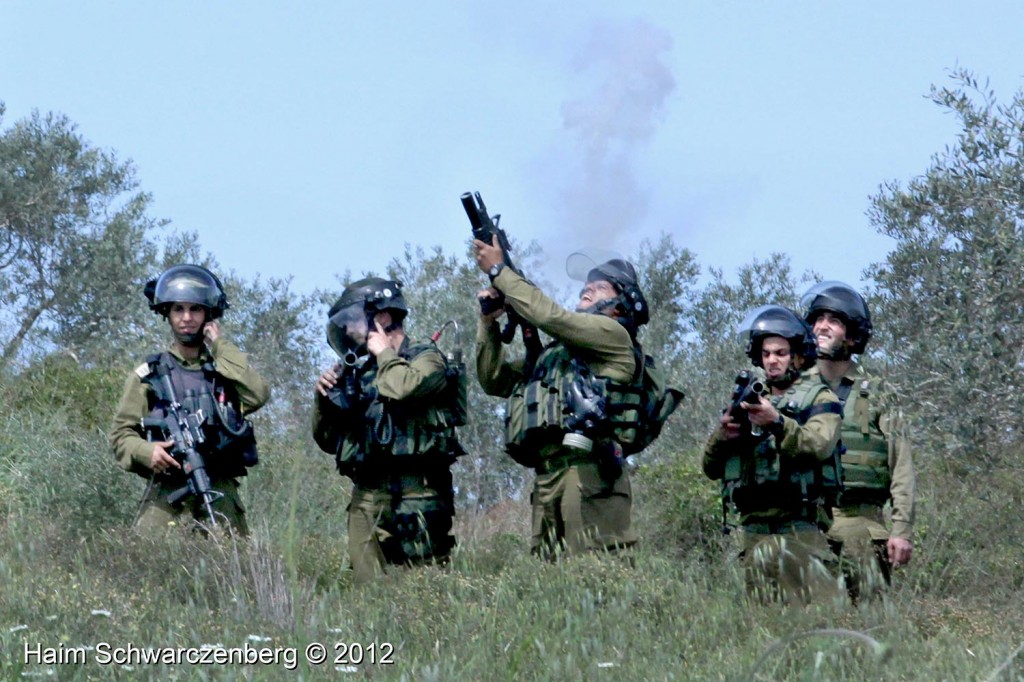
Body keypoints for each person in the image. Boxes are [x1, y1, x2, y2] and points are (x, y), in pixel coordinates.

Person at [474, 240, 674, 560]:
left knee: (599, 578)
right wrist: (488, 324)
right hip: (548, 480)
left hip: (591, 476)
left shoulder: (614, 335)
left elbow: (552, 317)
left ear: (622, 304)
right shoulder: (556, 355)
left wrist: (499, 271)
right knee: (555, 591)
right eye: (586, 285)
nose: (588, 290)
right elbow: (492, 379)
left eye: (601, 287)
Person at [312, 277, 463, 583]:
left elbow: (402, 387)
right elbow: (327, 440)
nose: (348, 330)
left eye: (353, 321)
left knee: (424, 587)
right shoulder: (357, 372)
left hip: (420, 492)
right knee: (367, 591)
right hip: (367, 495)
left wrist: (383, 353)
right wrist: (323, 398)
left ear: (381, 318)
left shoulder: (427, 358)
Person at [110, 264, 270, 536]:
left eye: (195, 309)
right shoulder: (150, 375)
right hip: (169, 494)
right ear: (167, 314)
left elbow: (258, 394)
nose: (186, 317)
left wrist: (219, 346)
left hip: (220, 494)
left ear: (208, 314)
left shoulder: (224, 371)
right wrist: (148, 452)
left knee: (232, 572)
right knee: (147, 569)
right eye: (178, 309)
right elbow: (120, 436)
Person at [703, 305, 845, 604]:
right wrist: (724, 435)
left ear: (798, 356)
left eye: (780, 353)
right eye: (766, 354)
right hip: (754, 531)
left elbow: (817, 445)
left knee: (817, 616)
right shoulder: (752, 402)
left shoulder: (821, 398)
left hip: (801, 528)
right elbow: (710, 467)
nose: (772, 361)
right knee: (764, 621)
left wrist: (778, 423)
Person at [801, 281, 916, 603]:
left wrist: (901, 530)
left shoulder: (877, 392)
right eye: (817, 319)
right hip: (805, 526)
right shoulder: (793, 390)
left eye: (833, 321)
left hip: (862, 527)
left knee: (870, 625)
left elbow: (902, 465)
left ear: (852, 335)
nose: (821, 327)